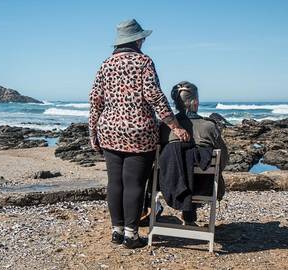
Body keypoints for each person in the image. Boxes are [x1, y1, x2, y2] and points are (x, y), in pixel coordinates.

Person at [89, 19, 190, 249]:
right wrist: (175, 125)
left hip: (110, 130)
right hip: (139, 132)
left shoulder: (105, 65)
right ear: (136, 40)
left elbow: (95, 100)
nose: (143, 41)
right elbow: (155, 96)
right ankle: (131, 235)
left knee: (115, 182)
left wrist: (92, 132)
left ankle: (116, 231)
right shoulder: (143, 62)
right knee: (134, 183)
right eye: (142, 38)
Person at [159, 81, 229, 225]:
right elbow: (224, 159)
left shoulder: (166, 128)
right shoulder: (209, 127)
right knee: (198, 167)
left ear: (176, 104)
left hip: (170, 184)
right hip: (204, 186)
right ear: (195, 102)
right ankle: (190, 216)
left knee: (179, 164)